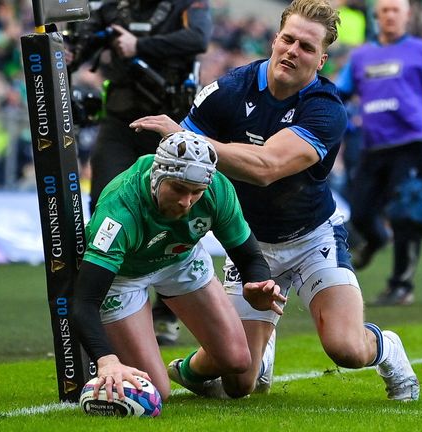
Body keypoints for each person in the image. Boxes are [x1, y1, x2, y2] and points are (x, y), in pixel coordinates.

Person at [130, 0, 420, 401]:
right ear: (274, 38)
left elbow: (266, 166)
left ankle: (388, 348)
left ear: (321, 59)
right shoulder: (227, 91)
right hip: (249, 245)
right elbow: (183, 168)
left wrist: (187, 138)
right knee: (238, 382)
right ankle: (200, 368)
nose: (292, 51)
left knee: (346, 349)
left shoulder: (325, 108)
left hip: (312, 238)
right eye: (288, 39)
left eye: (305, 47)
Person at [70, 131, 284, 402]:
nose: (186, 202)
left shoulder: (217, 188)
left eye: (196, 193)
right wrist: (107, 360)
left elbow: (250, 257)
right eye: (179, 189)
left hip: (180, 258)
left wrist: (257, 283)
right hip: (124, 277)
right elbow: (85, 302)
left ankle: (187, 372)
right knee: (153, 392)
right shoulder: (118, 212)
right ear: (157, 176)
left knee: (238, 362)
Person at [68, 0, 213, 345]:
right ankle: (110, 308)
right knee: (104, 202)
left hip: (168, 124)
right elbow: (85, 42)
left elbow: (198, 39)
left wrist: (139, 47)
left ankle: (165, 310)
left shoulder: (188, 4)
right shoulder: (111, 7)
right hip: (119, 121)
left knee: (175, 208)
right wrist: (67, 51)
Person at [334, 0, 422, 306]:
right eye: (384, 10)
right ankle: (376, 240)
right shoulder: (360, 57)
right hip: (373, 146)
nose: (389, 15)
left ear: (406, 15)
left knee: (403, 215)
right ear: (377, 16)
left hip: (411, 145)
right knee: (359, 213)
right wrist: (334, 122)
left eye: (395, 10)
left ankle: (401, 284)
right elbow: (339, 95)